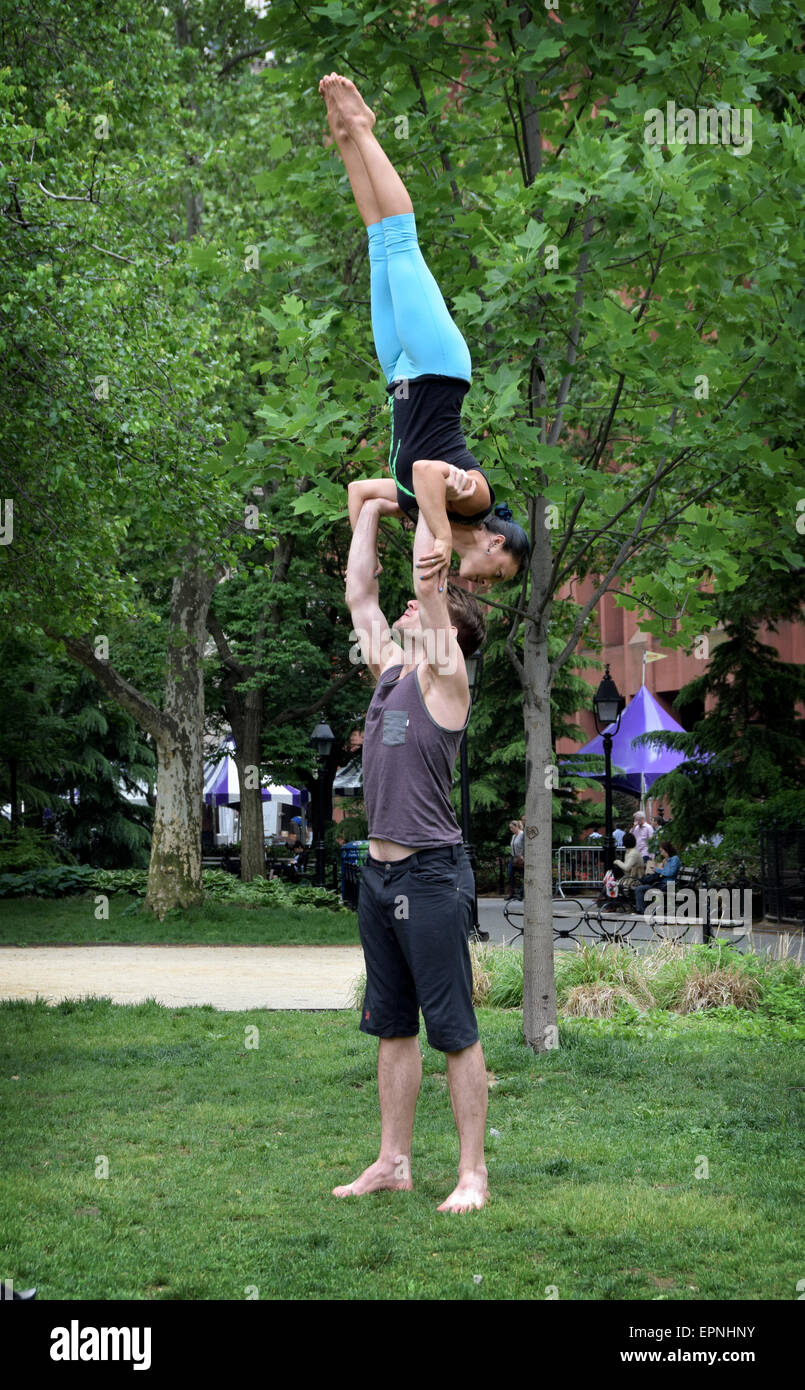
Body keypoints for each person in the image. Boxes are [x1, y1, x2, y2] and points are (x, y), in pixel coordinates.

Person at [319, 73, 529, 593]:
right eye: (497, 576)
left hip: (399, 375)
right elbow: (431, 472)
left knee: (378, 244)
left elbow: (361, 490)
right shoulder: (476, 500)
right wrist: (438, 534)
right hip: (439, 367)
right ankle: (366, 128)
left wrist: (361, 551)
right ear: (495, 544)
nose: (484, 585)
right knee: (401, 240)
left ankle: (346, 138)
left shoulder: (426, 516)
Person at [338, 495, 490, 1212]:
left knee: (452, 1030)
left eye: (424, 613)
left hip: (430, 875)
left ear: (447, 635)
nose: (406, 609)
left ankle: (471, 1175)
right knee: (391, 1025)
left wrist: (427, 507)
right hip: (377, 874)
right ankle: (392, 1162)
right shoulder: (393, 675)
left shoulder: (448, 686)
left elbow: (426, 589)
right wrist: (369, 506)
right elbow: (359, 592)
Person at [635, 842, 681, 913]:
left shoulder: (675, 859)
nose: (661, 854)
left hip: (667, 885)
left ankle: (645, 911)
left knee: (642, 889)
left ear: (667, 850)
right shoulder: (667, 860)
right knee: (639, 888)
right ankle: (642, 910)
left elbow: (670, 873)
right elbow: (664, 872)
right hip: (660, 884)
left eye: (662, 851)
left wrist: (657, 869)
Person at [612, 832, 644, 904]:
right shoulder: (630, 851)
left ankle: (612, 905)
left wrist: (617, 862)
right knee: (611, 882)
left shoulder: (633, 853)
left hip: (634, 880)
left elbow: (627, 867)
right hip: (629, 878)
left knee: (613, 884)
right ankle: (608, 902)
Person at [507, 819, 524, 899]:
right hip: (513, 858)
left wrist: (522, 855)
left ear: (516, 826)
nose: (511, 829)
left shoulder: (522, 834)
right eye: (510, 828)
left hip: (521, 858)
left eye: (512, 828)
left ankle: (520, 894)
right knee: (510, 875)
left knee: (526, 876)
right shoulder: (513, 836)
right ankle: (511, 894)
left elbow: (525, 846)